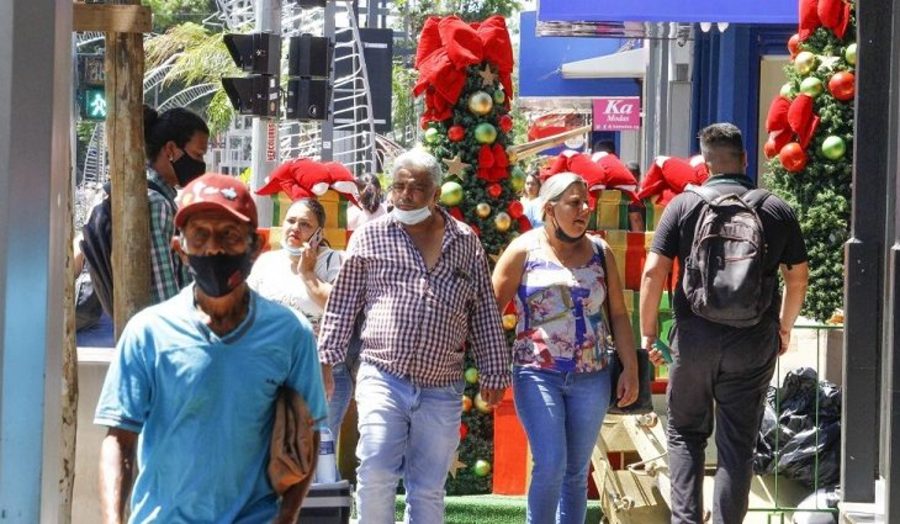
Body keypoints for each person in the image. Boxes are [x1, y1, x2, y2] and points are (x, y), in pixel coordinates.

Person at [95, 173, 327, 524]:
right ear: (180, 250)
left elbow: (307, 435)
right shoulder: (147, 332)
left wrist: (286, 517)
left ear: (255, 246)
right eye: (199, 235)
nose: (213, 249)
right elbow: (120, 440)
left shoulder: (291, 333)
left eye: (229, 235)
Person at [317, 148, 511, 523]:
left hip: (442, 385)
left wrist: (494, 371)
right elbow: (342, 304)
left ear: (436, 195)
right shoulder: (370, 236)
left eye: (417, 188)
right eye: (398, 186)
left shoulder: (465, 241)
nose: (404, 194)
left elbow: (485, 309)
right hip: (381, 374)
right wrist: (327, 361)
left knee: (427, 487)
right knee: (374, 469)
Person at [639, 123, 809, 524]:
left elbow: (653, 272)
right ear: (745, 159)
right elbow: (797, 277)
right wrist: (784, 327)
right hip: (752, 340)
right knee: (737, 445)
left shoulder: (684, 205)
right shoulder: (775, 208)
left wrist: (649, 332)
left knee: (685, 434)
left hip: (694, 338)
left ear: (706, 164)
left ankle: (684, 520)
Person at [492, 172, 639, 524]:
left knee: (576, 472)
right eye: (574, 202)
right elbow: (489, 311)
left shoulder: (601, 252)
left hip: (592, 377)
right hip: (537, 373)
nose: (584, 210)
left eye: (586, 202)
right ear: (549, 208)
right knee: (551, 463)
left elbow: (617, 313)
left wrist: (631, 368)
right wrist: (492, 365)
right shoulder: (523, 250)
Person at [143, 105, 210, 303]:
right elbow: (164, 293)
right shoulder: (157, 204)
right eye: (198, 154)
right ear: (171, 150)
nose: (201, 164)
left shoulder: (151, 196)